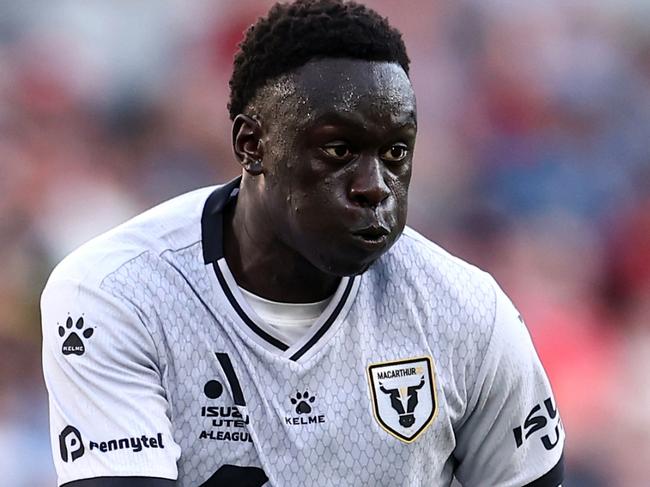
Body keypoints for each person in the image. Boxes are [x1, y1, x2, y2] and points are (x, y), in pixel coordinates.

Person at [41, 0, 565, 485]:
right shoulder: (115, 294)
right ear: (252, 145)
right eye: (338, 150)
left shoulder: (467, 311)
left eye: (396, 152)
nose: (374, 186)